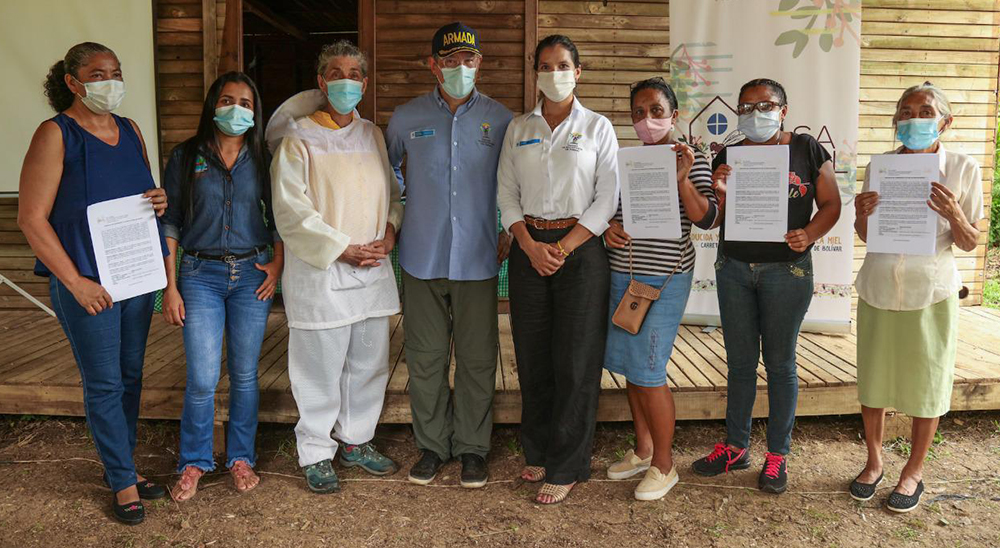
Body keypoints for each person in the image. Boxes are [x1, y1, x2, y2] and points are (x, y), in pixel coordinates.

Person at [17, 42, 170, 525]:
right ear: (72, 82)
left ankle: (121, 465)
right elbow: (31, 219)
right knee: (104, 382)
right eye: (98, 73)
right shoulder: (55, 134)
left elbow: (141, 193)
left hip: (134, 274)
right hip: (86, 280)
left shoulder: (131, 130)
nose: (111, 81)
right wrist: (75, 282)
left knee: (130, 376)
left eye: (116, 72)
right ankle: (123, 481)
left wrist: (158, 199)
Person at [691, 78, 841, 494]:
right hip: (734, 269)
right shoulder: (728, 154)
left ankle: (778, 454)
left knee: (780, 364)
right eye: (746, 106)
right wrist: (720, 191)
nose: (755, 113)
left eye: (765, 105)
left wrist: (809, 233)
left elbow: (832, 204)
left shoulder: (807, 149)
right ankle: (736, 446)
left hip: (786, 272)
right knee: (740, 364)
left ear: (783, 110)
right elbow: (715, 219)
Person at [268, 40, 403, 494]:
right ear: (321, 82)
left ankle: (356, 441)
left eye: (354, 74)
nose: (347, 81)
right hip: (321, 273)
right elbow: (291, 211)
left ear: (365, 83)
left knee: (368, 363)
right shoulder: (298, 138)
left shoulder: (372, 135)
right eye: (336, 73)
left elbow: (393, 194)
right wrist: (342, 248)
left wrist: (389, 232)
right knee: (319, 369)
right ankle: (315, 451)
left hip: (371, 270)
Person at [385, 22, 513, 489]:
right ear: (433, 65)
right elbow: (387, 174)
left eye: (468, 59)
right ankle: (433, 446)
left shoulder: (502, 120)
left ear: (479, 63)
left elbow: (517, 181)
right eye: (450, 59)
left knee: (478, 359)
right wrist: (402, 211)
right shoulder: (405, 117)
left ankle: (473, 448)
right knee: (425, 358)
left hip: (479, 257)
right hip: (421, 256)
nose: (460, 67)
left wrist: (511, 228)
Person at [497, 34, 619, 505]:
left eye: (563, 65)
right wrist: (528, 244)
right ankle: (539, 450)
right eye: (545, 66)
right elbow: (506, 193)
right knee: (532, 355)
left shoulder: (597, 127)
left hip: (580, 250)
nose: (554, 73)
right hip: (528, 248)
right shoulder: (518, 127)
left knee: (576, 359)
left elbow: (607, 197)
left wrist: (564, 248)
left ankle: (567, 465)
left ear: (578, 72)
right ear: (535, 73)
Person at [851, 82, 983, 513]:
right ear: (896, 121)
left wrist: (954, 213)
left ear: (945, 121)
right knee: (874, 380)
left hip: (931, 290)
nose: (913, 120)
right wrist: (860, 215)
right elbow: (867, 235)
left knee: (928, 382)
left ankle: (913, 471)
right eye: (905, 113)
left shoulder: (962, 168)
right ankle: (874, 462)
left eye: (925, 111)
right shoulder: (881, 166)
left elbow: (969, 241)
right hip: (878, 286)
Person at [160, 72, 283, 500]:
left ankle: (240, 457)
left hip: (252, 274)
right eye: (228, 100)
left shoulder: (264, 157)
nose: (236, 109)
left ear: (255, 111)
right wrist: (170, 286)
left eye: (246, 103)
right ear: (213, 105)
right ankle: (194, 460)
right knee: (202, 377)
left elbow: (281, 216)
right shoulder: (185, 156)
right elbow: (170, 222)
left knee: (245, 374)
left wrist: (278, 264)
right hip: (199, 276)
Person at [602, 78, 718, 501]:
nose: (646, 119)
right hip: (622, 275)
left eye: (655, 110)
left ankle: (665, 466)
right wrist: (608, 230)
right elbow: (608, 212)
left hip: (665, 279)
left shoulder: (692, 158)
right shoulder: (625, 161)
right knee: (631, 368)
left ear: (673, 114)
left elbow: (708, 219)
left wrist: (682, 178)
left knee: (650, 372)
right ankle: (643, 449)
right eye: (638, 112)